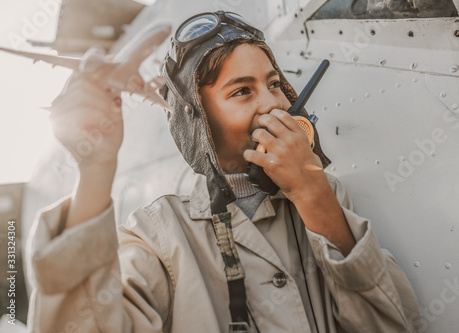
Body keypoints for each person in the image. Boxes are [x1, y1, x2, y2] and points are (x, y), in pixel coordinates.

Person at [27, 10, 421, 333]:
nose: (274, 105)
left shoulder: (325, 195)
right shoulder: (158, 234)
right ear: (199, 122)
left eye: (274, 84)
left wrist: (314, 195)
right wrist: (95, 169)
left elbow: (393, 324)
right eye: (241, 91)